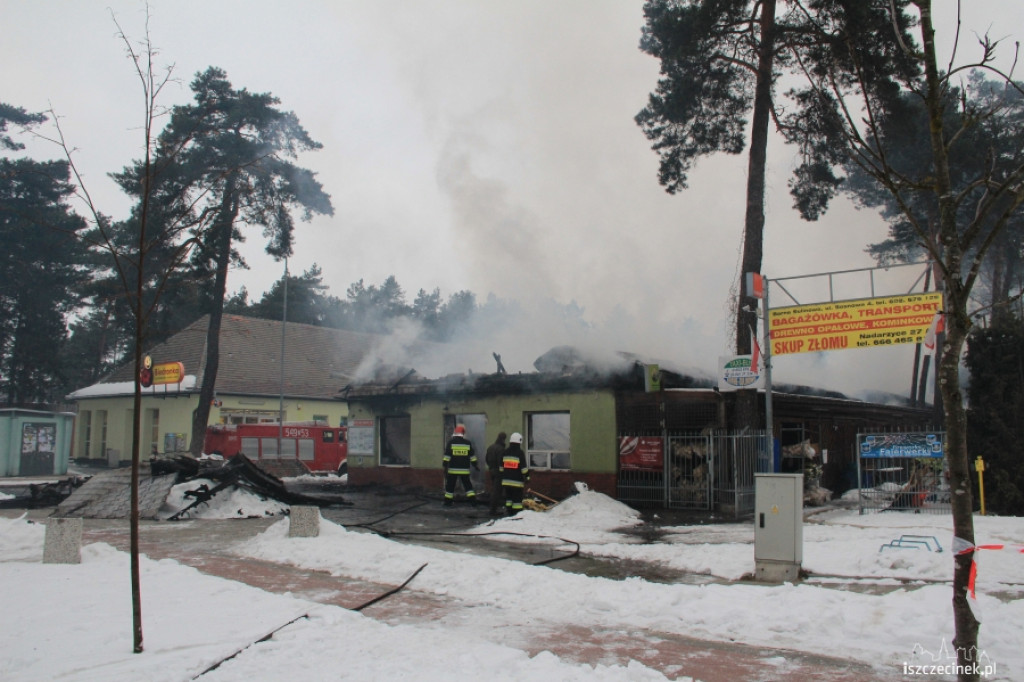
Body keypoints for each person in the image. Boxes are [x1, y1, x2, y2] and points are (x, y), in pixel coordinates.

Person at [442, 424, 478, 506]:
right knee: (468, 486)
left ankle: (447, 502)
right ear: (463, 433)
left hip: (453, 470)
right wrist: (475, 465)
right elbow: (472, 456)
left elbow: (447, 456)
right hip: (464, 470)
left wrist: (445, 465)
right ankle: (473, 502)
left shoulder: (451, 443)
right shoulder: (467, 443)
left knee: (450, 486)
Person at [500, 432, 529, 516]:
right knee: (517, 500)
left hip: (506, 481)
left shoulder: (505, 452)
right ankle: (516, 514)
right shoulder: (520, 453)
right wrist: (527, 477)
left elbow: (501, 468)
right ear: (519, 441)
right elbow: (523, 469)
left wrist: (504, 475)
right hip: (517, 482)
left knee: (508, 498)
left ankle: (509, 512)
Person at [484, 432, 507, 516]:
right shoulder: (501, 449)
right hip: (498, 472)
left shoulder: (490, 447)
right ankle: (493, 510)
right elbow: (501, 461)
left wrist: (491, 467)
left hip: (491, 471)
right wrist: (502, 471)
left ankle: (493, 508)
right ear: (503, 439)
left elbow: (486, 459)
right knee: (497, 491)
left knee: (494, 490)